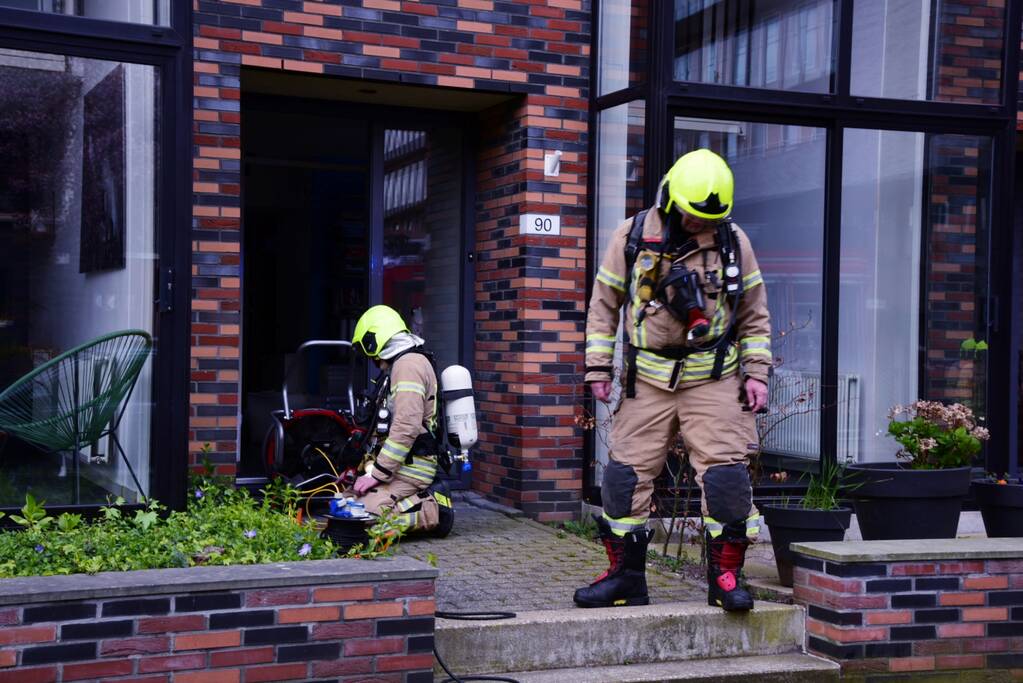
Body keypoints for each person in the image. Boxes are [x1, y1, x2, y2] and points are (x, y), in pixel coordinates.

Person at [575, 149, 771, 611]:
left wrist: (756, 373)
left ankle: (724, 580)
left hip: (715, 379)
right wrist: (599, 368)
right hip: (648, 381)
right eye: (693, 214)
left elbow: (754, 314)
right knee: (623, 479)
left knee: (725, 482)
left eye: (711, 218)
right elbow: (603, 305)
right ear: (671, 198)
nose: (701, 223)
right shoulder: (633, 235)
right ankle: (626, 579)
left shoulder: (732, 240)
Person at [348, 304, 452, 534]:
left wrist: (376, 474)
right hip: (399, 465)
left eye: (370, 352)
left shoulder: (408, 366)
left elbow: (407, 426)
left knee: (362, 519)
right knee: (345, 503)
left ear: (375, 340)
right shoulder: (401, 365)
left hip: (412, 468)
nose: (372, 359)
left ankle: (432, 510)